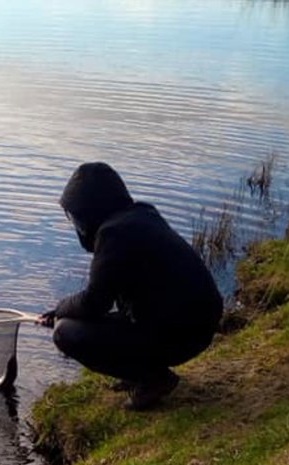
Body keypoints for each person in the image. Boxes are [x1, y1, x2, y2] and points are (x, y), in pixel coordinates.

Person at [39, 162, 223, 410]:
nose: (78, 226)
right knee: (80, 322)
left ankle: (155, 378)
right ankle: (140, 372)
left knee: (65, 333)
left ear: (92, 211)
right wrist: (64, 310)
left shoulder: (114, 234)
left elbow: (95, 303)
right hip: (195, 326)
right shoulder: (140, 216)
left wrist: (61, 309)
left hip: (182, 335)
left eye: (78, 217)